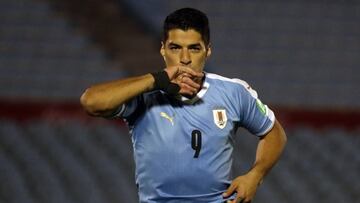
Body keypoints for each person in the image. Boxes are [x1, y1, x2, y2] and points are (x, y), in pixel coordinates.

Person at [80, 7, 286, 203]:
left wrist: (255, 176)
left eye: (194, 48)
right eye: (175, 48)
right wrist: (156, 80)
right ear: (162, 49)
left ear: (208, 51)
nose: (184, 59)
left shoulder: (234, 92)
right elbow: (91, 102)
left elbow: (274, 133)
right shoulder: (143, 94)